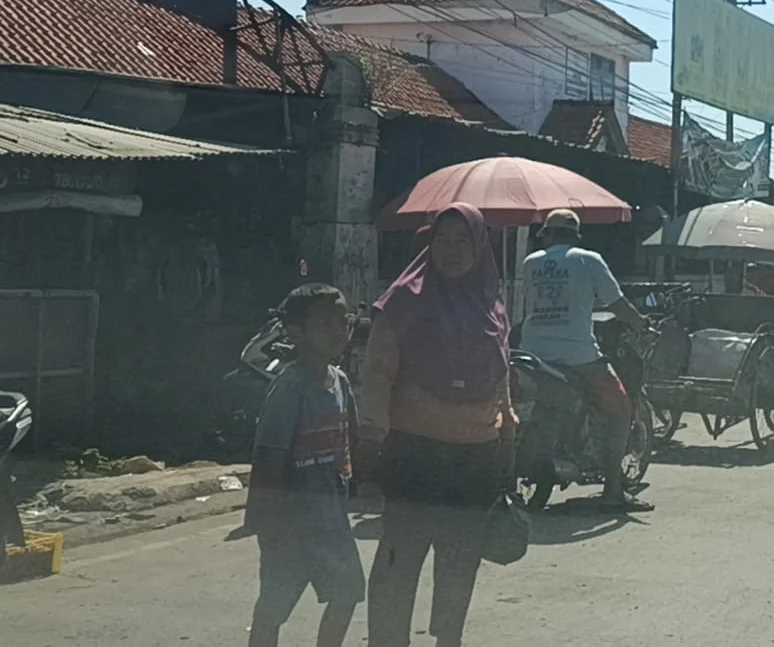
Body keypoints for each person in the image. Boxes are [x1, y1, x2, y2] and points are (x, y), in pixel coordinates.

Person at [360, 203, 515, 647]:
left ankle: (449, 639)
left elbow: (502, 371)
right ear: (429, 244)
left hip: (475, 458)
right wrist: (371, 441)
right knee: (399, 557)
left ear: (480, 246)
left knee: (459, 561)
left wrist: (507, 429)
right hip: (415, 453)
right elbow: (377, 373)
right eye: (443, 240)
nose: (453, 250)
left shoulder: (492, 302)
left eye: (463, 240)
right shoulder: (404, 300)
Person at [247, 283, 363, 647]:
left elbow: (352, 442)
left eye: (342, 322)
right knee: (273, 608)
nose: (337, 332)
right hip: (290, 525)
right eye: (324, 324)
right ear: (296, 333)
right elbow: (267, 459)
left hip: (332, 520)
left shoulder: (340, 382)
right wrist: (268, 523)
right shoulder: (289, 389)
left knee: (347, 593)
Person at [520, 208, 653, 513]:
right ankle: (612, 491)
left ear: (547, 235)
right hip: (578, 355)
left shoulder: (531, 263)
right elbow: (616, 303)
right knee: (621, 408)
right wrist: (641, 324)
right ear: (576, 234)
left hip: (533, 353)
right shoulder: (588, 260)